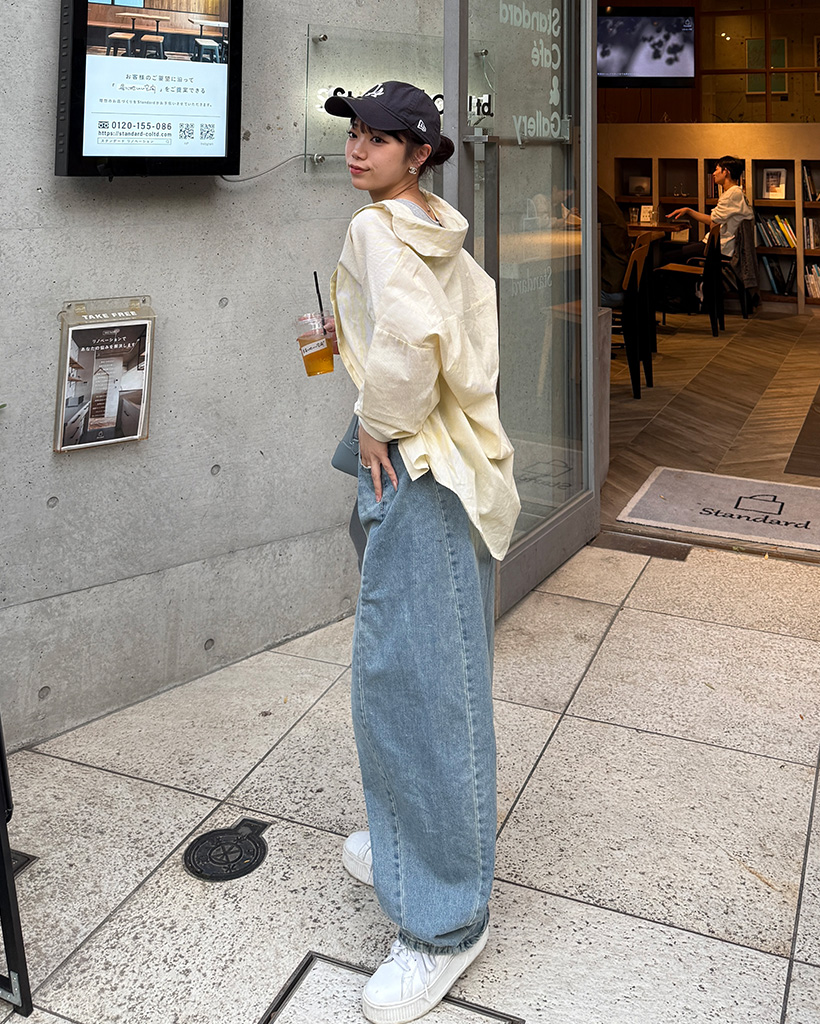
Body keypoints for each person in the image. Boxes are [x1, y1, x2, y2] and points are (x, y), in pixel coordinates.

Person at [324, 81, 520, 1023]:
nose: (358, 149)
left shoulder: (376, 229)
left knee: (415, 690)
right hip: (455, 465)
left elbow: (409, 340)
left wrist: (377, 419)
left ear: (420, 152)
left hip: (417, 464)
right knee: (423, 675)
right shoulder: (443, 230)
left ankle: (444, 923)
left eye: (379, 138)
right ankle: (407, 841)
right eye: (355, 133)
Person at [668, 155, 753, 261]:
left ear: (725, 172)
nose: (713, 174)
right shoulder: (736, 193)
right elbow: (713, 220)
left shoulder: (731, 195)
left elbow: (712, 222)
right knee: (680, 250)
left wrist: (689, 211)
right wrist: (688, 210)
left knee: (669, 256)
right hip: (719, 245)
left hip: (719, 248)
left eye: (716, 170)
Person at [597, 186, 630, 307]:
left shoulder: (591, 201)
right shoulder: (605, 202)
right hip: (623, 289)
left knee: (569, 291)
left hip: (608, 292)